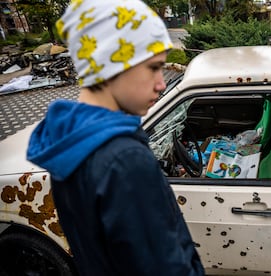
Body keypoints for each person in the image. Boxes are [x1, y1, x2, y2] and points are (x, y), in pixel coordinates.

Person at [26, 0, 204, 275]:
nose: (161, 82)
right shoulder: (125, 161)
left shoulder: (69, 143)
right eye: (154, 67)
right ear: (114, 63)